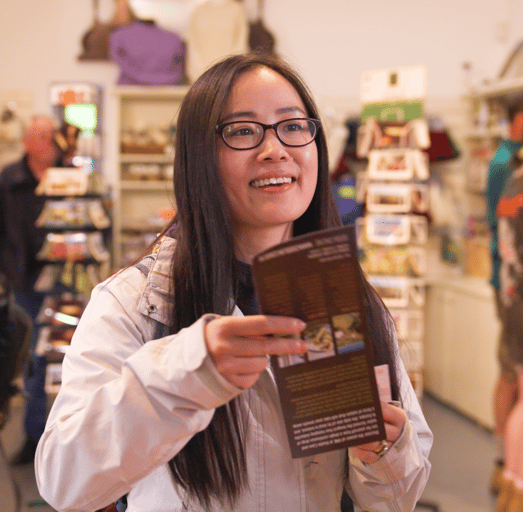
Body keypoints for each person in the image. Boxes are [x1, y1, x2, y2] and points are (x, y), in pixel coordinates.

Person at [35, 52, 432, 512]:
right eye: (243, 131)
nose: (275, 149)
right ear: (199, 157)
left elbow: (393, 500)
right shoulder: (132, 302)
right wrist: (185, 370)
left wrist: (385, 451)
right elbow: (64, 480)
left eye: (294, 126)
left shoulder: (345, 296)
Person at [0, 114, 60, 465]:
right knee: (33, 359)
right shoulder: (10, 180)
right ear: (27, 142)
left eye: (53, 136)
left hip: (69, 278)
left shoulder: (71, 176)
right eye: (42, 137)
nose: (50, 143)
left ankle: (71, 439)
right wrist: (7, 269)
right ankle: (35, 436)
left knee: (75, 355)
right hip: (26, 282)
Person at [488, 107, 523, 495]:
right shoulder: (507, 169)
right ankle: (512, 479)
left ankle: (508, 474)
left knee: (512, 378)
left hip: (512, 292)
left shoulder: (510, 174)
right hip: (516, 295)